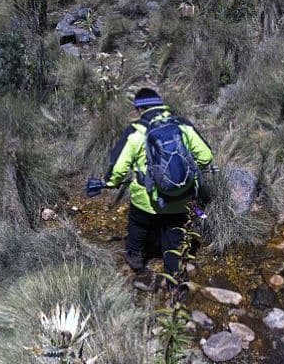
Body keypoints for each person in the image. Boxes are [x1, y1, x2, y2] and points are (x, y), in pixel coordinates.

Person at [86, 88, 213, 290]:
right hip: (179, 199)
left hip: (145, 201)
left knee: (138, 225)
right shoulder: (182, 125)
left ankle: (136, 260)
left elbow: (118, 169)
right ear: (160, 104)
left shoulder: (136, 131)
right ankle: (174, 280)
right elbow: (206, 157)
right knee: (174, 236)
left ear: (139, 108)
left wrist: (108, 183)